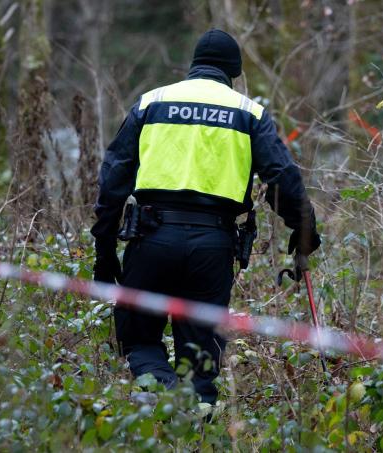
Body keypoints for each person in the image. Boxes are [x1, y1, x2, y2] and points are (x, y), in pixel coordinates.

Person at [92, 29, 320, 404]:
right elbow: (281, 176)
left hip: (150, 239)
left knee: (140, 341)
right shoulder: (250, 113)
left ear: (193, 66)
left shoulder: (151, 102)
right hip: (212, 246)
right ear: (234, 72)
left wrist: (104, 249)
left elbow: (113, 179)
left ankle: (158, 400)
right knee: (200, 359)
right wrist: (304, 227)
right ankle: (195, 423)